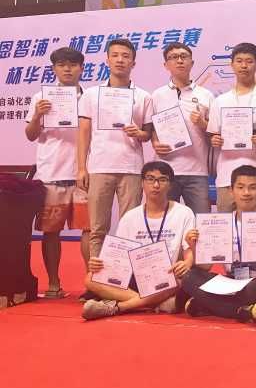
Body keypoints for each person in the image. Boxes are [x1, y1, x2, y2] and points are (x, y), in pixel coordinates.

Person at [181, 165, 256, 324]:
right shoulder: (221, 223)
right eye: (240, 187)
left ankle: (209, 305)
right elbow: (205, 267)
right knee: (189, 277)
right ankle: (242, 311)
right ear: (231, 191)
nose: (246, 193)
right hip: (231, 281)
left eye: (252, 187)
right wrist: (195, 247)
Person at [81, 161, 195, 320]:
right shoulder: (130, 217)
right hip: (137, 276)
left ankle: (118, 307)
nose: (156, 185)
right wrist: (100, 264)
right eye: (150, 179)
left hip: (168, 275)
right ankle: (155, 303)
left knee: (180, 280)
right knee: (91, 278)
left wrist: (187, 263)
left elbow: (189, 250)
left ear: (170, 185)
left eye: (162, 180)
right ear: (142, 183)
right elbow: (119, 256)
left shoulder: (184, 213)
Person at [77, 38, 154, 260]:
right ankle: (94, 277)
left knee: (130, 228)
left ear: (133, 63)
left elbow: (148, 134)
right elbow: (83, 133)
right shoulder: (92, 94)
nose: (120, 60)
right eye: (115, 55)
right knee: (96, 228)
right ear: (107, 60)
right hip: (99, 167)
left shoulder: (143, 96)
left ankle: (126, 275)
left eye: (126, 56)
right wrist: (81, 168)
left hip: (131, 168)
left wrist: (139, 133)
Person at [24, 47, 91, 299]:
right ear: (54, 69)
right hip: (51, 173)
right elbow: (31, 135)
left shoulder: (90, 98)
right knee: (51, 231)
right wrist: (38, 115)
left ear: (81, 68)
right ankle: (54, 283)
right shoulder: (41, 97)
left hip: (84, 174)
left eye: (72, 64)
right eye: (62, 65)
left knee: (89, 230)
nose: (67, 69)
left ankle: (91, 284)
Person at [207, 42, 256, 211]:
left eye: (249, 61)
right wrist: (215, 140)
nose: (244, 65)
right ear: (232, 65)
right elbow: (212, 136)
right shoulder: (220, 101)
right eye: (239, 61)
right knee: (228, 226)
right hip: (227, 178)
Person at [151, 41, 214, 213]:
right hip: (165, 171)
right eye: (173, 57)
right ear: (166, 65)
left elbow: (215, 132)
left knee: (201, 221)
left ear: (191, 63)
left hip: (197, 171)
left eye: (184, 57)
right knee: (165, 221)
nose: (179, 60)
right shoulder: (157, 95)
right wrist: (155, 143)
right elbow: (152, 128)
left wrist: (202, 123)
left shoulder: (206, 95)